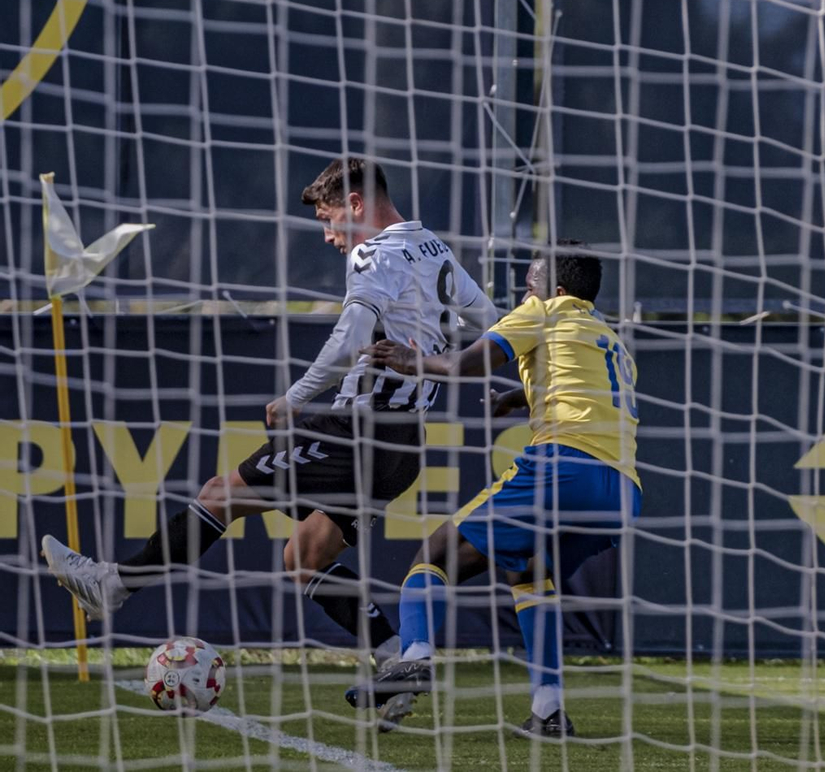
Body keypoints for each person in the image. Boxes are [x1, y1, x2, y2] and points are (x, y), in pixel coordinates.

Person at [43, 158, 497, 719]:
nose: (328, 235)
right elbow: (492, 323)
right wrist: (475, 371)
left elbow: (352, 334)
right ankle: (395, 664)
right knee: (305, 555)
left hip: (359, 430)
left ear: (357, 205)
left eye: (329, 219)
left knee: (218, 494)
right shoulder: (433, 248)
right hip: (404, 448)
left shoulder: (372, 253)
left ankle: (113, 584)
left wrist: (296, 396)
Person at [343, 239, 641, 740]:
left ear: (556, 291)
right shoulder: (608, 339)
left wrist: (408, 360)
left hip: (565, 467)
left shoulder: (542, 313)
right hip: (622, 492)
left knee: (435, 553)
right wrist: (522, 398)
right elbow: (589, 396)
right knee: (529, 570)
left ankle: (414, 657)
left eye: (529, 286)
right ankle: (548, 710)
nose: (523, 296)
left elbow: (464, 365)